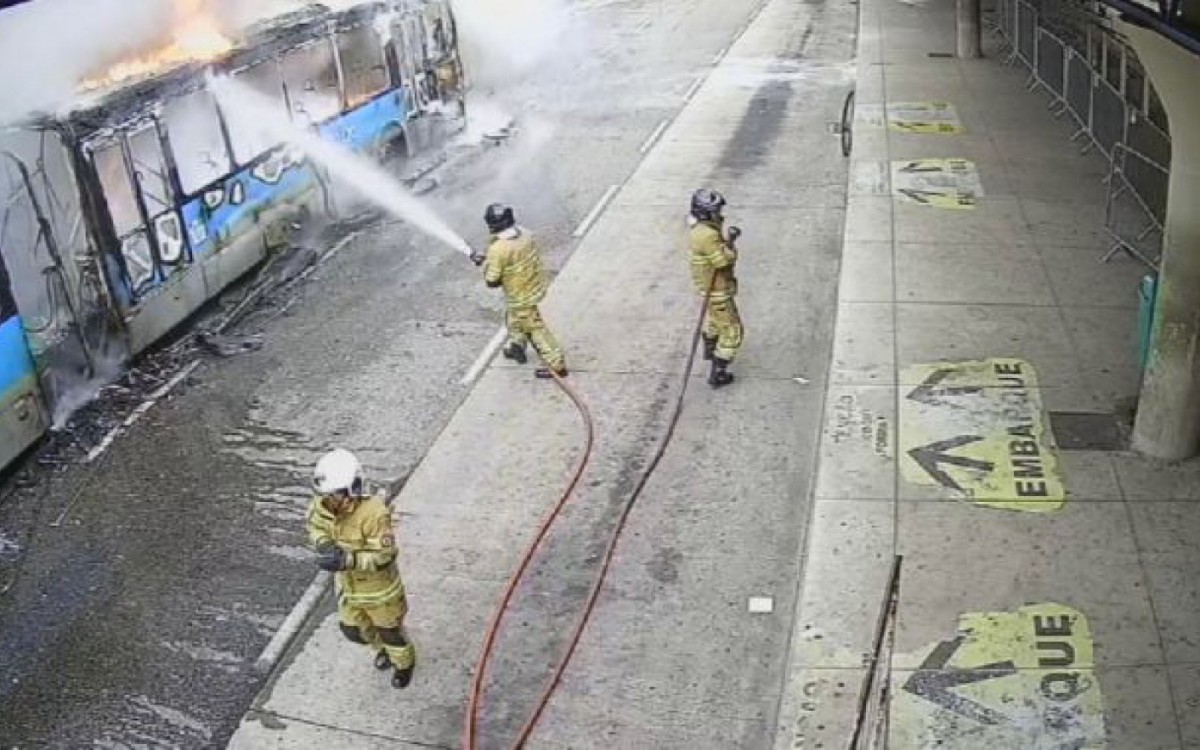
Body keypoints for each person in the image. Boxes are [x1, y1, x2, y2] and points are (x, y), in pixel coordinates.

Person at [306, 449, 415, 689]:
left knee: (390, 632)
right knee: (353, 630)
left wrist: (348, 561)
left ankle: (404, 664)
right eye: (327, 495)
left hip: (380, 591)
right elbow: (315, 524)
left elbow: (384, 556)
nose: (329, 501)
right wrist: (324, 544)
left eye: (335, 495)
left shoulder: (374, 513)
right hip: (348, 587)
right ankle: (383, 649)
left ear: (352, 489)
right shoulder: (323, 505)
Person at [471, 203, 568, 379]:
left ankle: (557, 365)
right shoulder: (525, 233)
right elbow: (513, 259)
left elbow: (492, 281)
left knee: (535, 329)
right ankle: (517, 346)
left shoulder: (498, 249)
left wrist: (483, 264)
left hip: (520, 296)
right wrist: (490, 260)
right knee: (513, 319)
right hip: (533, 285)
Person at [687, 188, 743, 388]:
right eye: (716, 210)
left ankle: (711, 350)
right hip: (718, 291)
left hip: (710, 291)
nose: (719, 214)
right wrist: (730, 248)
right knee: (732, 331)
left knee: (716, 323)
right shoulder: (708, 235)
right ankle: (718, 372)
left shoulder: (699, 231)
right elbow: (722, 262)